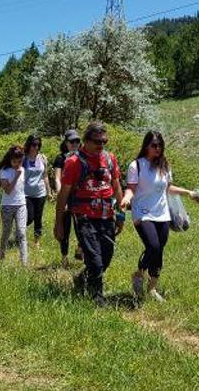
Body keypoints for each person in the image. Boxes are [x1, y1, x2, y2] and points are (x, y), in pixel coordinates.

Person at [120, 131, 199, 302]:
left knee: (159, 250)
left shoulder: (164, 165)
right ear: (146, 146)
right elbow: (131, 188)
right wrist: (126, 198)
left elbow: (168, 189)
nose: (157, 149)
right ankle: (138, 275)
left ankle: (151, 287)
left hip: (162, 213)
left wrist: (189, 193)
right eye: (154, 145)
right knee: (153, 246)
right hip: (143, 213)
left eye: (160, 145)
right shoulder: (136, 165)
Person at [54, 122, 124, 306]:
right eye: (97, 141)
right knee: (94, 259)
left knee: (106, 256)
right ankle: (97, 298)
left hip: (107, 215)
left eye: (104, 141)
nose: (101, 145)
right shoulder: (73, 162)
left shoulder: (110, 159)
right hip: (84, 216)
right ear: (86, 140)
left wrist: (121, 215)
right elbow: (63, 195)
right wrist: (59, 223)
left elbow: (116, 187)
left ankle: (81, 278)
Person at [52, 129, 83, 266]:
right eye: (72, 141)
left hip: (79, 197)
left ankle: (80, 248)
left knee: (81, 227)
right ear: (66, 143)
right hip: (65, 196)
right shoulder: (61, 158)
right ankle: (64, 257)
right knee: (65, 227)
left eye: (77, 141)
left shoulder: (83, 156)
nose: (75, 144)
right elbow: (57, 178)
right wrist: (61, 197)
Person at [0, 145, 28, 266]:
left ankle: (24, 262)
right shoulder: (4, 171)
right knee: (6, 232)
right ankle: (2, 253)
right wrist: (16, 176)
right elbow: (8, 190)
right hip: (7, 205)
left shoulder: (23, 169)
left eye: (20, 161)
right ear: (10, 159)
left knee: (21, 232)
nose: (17, 164)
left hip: (21, 205)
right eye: (15, 161)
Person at [22, 135, 51, 250]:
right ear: (29, 145)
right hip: (26, 193)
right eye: (34, 144)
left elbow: (45, 176)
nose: (36, 147)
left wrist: (49, 191)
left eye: (38, 145)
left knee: (38, 218)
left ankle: (36, 242)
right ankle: (20, 232)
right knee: (29, 217)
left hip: (40, 193)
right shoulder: (23, 159)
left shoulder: (43, 158)